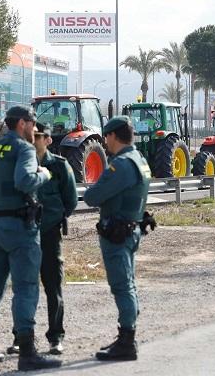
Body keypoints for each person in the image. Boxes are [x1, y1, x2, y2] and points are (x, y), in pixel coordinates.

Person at [0, 105, 61, 372]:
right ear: (22, 124)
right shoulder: (25, 149)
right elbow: (25, 181)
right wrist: (44, 173)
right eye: (33, 123)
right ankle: (27, 352)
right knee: (26, 286)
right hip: (19, 227)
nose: (35, 128)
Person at [83, 116, 151, 361]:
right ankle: (126, 335)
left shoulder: (120, 165)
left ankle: (126, 342)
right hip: (131, 228)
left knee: (121, 286)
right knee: (128, 283)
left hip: (117, 232)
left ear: (113, 136)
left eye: (106, 137)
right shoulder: (139, 160)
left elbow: (93, 196)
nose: (105, 142)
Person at [6, 122, 78, 356]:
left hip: (48, 235)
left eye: (37, 136)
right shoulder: (20, 164)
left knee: (53, 286)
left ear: (47, 140)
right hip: (25, 235)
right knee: (23, 287)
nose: (32, 139)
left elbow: (71, 201)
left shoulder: (59, 166)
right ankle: (21, 337)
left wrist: (54, 219)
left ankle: (55, 337)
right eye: (30, 135)